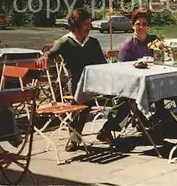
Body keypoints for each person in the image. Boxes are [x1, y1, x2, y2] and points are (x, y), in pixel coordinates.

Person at [37, 8, 107, 152]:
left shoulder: (93, 42)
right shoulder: (65, 42)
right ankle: (74, 139)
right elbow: (49, 54)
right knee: (83, 104)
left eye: (90, 24)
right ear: (76, 26)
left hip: (95, 82)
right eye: (86, 24)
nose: (90, 27)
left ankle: (105, 131)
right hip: (75, 82)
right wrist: (44, 57)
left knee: (123, 98)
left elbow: (103, 64)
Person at [97, 8, 165, 143]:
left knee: (164, 91)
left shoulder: (154, 41)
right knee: (126, 100)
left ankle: (157, 123)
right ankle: (107, 130)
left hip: (150, 82)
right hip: (129, 85)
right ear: (133, 25)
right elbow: (121, 72)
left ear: (148, 26)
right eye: (138, 24)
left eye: (144, 24)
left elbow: (161, 60)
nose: (141, 27)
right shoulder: (128, 45)